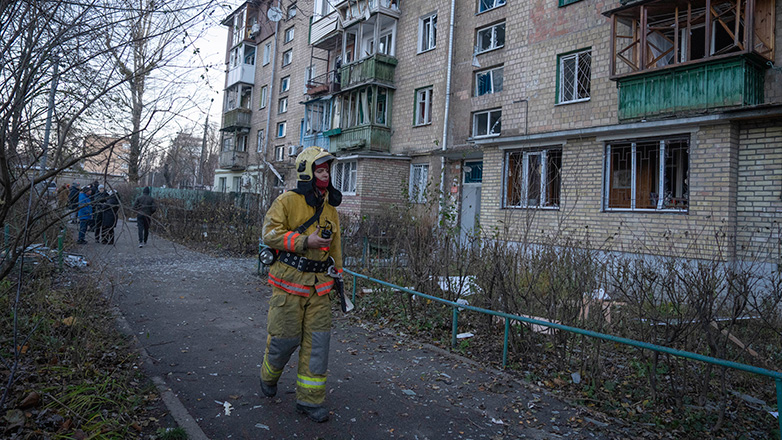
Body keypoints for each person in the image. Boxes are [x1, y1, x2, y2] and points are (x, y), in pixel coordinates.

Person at [259, 146, 343, 423]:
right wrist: (305, 241)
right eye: (320, 170)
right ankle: (268, 375)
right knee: (283, 341)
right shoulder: (286, 201)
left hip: (320, 288)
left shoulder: (330, 209)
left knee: (318, 346)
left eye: (327, 170)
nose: (325, 175)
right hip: (288, 285)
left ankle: (309, 400)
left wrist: (339, 277)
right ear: (307, 172)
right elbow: (270, 234)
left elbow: (336, 248)